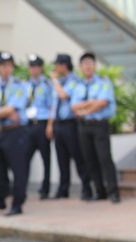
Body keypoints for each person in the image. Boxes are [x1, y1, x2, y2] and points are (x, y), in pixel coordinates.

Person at [0, 52, 30, 216]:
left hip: (14, 131)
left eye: (9, 65)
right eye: (3, 65)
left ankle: (17, 204)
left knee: (18, 169)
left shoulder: (18, 85)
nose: (7, 69)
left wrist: (1, 112)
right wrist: (3, 112)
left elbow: (12, 109)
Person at [71, 52, 120, 203]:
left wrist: (85, 109)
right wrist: (91, 102)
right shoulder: (78, 85)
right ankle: (100, 191)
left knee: (105, 158)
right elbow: (74, 106)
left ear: (94, 65)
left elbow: (102, 102)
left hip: (99, 125)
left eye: (90, 63)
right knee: (89, 159)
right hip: (84, 126)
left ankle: (113, 191)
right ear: (80, 67)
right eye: (84, 64)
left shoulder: (103, 82)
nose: (88, 66)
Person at [46, 54, 92, 200]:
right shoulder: (59, 82)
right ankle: (63, 189)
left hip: (70, 124)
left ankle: (86, 188)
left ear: (64, 65)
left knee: (77, 157)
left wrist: (54, 80)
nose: (55, 68)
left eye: (57, 65)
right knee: (61, 158)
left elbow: (63, 96)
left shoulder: (74, 81)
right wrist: (50, 124)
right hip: (58, 124)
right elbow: (54, 104)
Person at [24, 54, 53, 200]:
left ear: (41, 68)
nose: (33, 69)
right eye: (31, 66)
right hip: (29, 125)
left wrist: (49, 125)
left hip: (41, 124)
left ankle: (45, 189)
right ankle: (22, 187)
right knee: (24, 158)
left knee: (45, 159)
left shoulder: (47, 85)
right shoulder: (26, 85)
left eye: (35, 66)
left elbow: (51, 106)